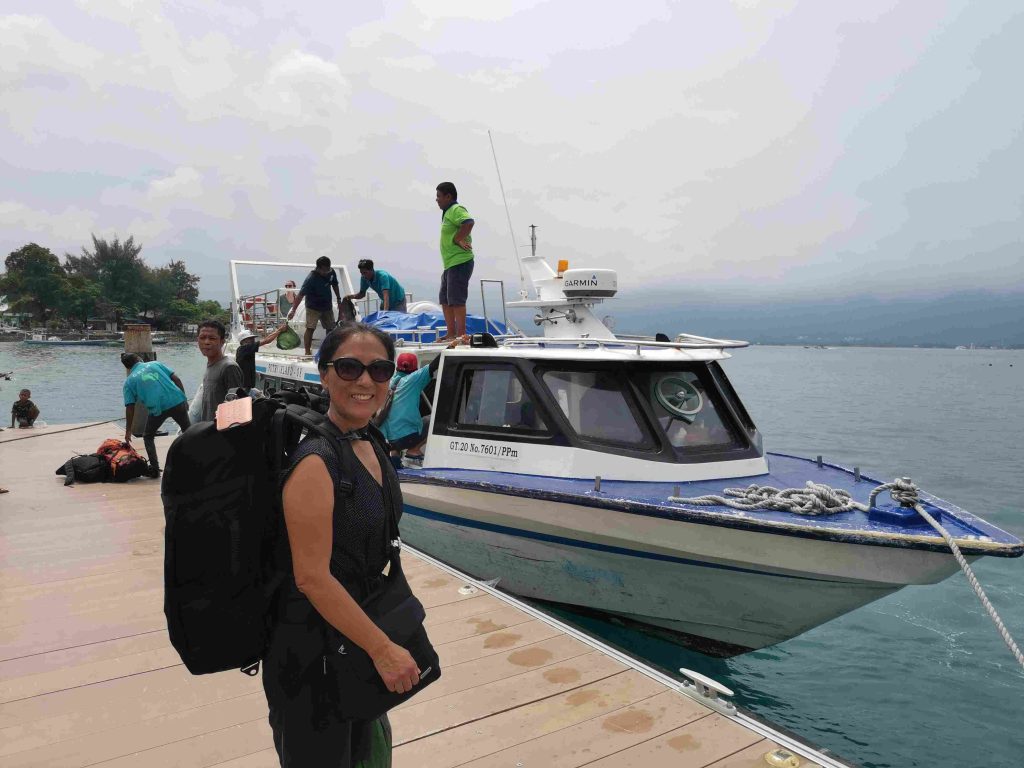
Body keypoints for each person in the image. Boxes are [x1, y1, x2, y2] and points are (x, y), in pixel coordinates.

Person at [264, 322, 420, 767]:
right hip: (312, 656)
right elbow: (311, 578)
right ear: (324, 374)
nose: (365, 381)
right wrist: (383, 650)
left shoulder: (369, 440)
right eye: (350, 368)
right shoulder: (316, 461)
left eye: (380, 369)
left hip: (353, 639)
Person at [380, 337, 464, 465]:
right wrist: (451, 346)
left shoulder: (390, 382)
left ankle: (395, 457)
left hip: (387, 440)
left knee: (396, 425)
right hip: (406, 438)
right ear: (414, 368)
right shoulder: (413, 379)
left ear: (397, 367)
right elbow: (434, 365)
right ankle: (414, 450)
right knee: (435, 418)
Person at [121, 353, 190, 478]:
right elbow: (177, 379)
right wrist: (184, 398)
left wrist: (128, 430)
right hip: (177, 402)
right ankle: (196, 458)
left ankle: (155, 469)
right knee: (189, 432)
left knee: (148, 436)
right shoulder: (155, 364)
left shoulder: (129, 382)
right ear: (139, 359)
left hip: (158, 409)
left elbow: (130, 407)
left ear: (127, 367)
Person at [435, 181, 475, 341]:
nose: (436, 199)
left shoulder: (456, 209)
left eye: (439, 196)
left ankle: (461, 335)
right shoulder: (447, 212)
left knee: (457, 299)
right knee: (445, 299)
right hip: (450, 264)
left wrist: (458, 238)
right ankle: (451, 333)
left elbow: (469, 222)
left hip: (460, 261)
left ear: (448, 196)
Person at [287, 256, 344, 356]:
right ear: (318, 268)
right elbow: (300, 295)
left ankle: (328, 351)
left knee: (331, 328)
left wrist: (339, 299)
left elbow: (335, 284)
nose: (327, 272)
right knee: (310, 328)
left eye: (328, 269)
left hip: (327, 305)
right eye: (324, 270)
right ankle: (307, 352)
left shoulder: (331, 272)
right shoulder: (311, 279)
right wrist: (293, 310)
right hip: (313, 307)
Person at [197, 319, 244, 421]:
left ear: (222, 342)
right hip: (208, 427)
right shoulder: (211, 365)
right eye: (202, 338)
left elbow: (236, 406)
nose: (206, 342)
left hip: (220, 429)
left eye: (212, 338)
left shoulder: (229, 367)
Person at [235, 322, 290, 390]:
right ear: (244, 340)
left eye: (253, 338)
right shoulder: (245, 348)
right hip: (244, 386)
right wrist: (279, 330)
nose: (253, 340)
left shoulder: (243, 350)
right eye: (250, 338)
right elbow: (266, 340)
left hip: (246, 385)